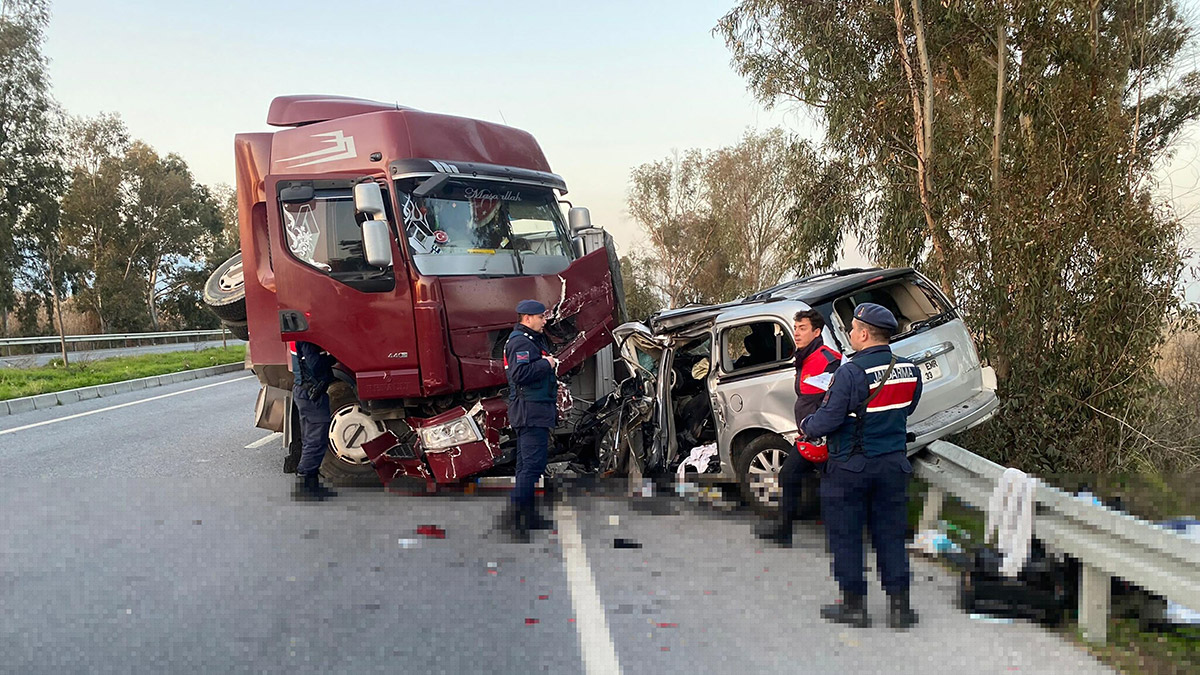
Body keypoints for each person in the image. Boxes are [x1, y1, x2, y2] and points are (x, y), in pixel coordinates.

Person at [801, 303, 923, 629]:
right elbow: (907, 407)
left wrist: (807, 426)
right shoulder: (910, 369)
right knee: (891, 535)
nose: (851, 335)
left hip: (850, 469)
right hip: (894, 466)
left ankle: (855, 607)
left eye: (853, 329)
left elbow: (828, 419)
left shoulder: (850, 372)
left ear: (865, 334)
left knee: (847, 536)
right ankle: (900, 609)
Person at [754, 310, 842, 546]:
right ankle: (784, 532)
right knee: (788, 476)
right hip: (808, 436)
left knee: (832, 485)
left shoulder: (830, 359)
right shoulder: (802, 357)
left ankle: (841, 536)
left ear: (817, 331)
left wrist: (823, 429)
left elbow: (836, 400)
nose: (796, 333)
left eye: (802, 328)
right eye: (795, 328)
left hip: (826, 437)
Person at [500, 299, 559, 542]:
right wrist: (547, 363)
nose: (544, 321)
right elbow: (520, 374)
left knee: (526, 467)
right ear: (527, 318)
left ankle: (523, 515)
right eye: (541, 317)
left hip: (532, 411)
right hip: (530, 412)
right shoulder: (520, 342)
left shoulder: (528, 340)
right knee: (531, 468)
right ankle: (518, 523)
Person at [291, 341, 338, 502]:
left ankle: (311, 484)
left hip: (304, 390)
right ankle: (305, 483)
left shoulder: (297, 334)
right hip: (311, 392)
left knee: (310, 438)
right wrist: (333, 359)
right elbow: (315, 364)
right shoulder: (305, 337)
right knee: (316, 439)